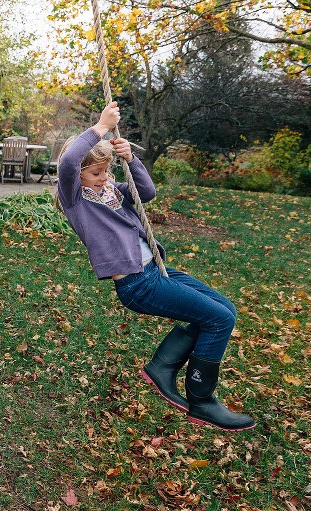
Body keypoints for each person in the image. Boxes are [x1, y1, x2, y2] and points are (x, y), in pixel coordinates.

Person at [57, 101, 254, 432]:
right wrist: (101, 127)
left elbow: (146, 192)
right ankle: (202, 402)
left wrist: (130, 159)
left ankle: (162, 368)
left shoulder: (112, 191)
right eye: (95, 173)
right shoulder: (76, 198)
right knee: (218, 320)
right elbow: (69, 160)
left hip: (156, 269)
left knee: (225, 310)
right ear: (78, 177)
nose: (103, 177)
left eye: (106, 171)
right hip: (137, 283)